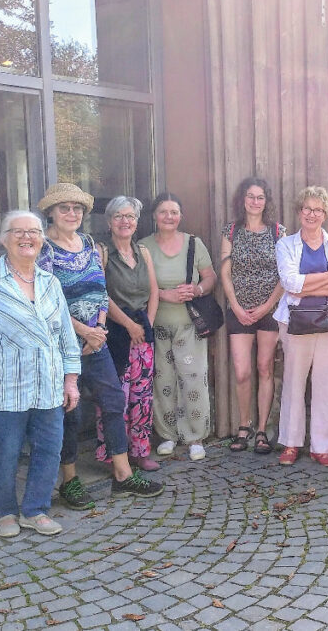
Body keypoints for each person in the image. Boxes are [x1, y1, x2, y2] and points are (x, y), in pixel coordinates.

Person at [0, 211, 80, 537]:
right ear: (4, 239)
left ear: (42, 239)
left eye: (33, 232)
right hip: (6, 388)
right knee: (4, 453)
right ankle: (5, 512)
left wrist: (71, 379)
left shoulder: (51, 283)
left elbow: (66, 337)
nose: (27, 238)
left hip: (49, 386)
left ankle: (35, 510)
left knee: (49, 450)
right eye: (18, 232)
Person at [37, 183, 163, 510]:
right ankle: (69, 479)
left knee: (113, 401)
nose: (71, 214)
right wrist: (83, 331)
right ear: (51, 212)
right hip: (64, 348)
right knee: (71, 413)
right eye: (64, 208)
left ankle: (122, 474)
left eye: (77, 209)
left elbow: (100, 290)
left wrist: (101, 327)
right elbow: (48, 303)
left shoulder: (90, 244)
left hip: (97, 343)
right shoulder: (44, 250)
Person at [274, 186, 328, 466]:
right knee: (294, 381)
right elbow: (290, 285)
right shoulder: (286, 244)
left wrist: (308, 285)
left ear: (326, 213)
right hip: (297, 321)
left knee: (327, 383)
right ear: (299, 211)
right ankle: (291, 444)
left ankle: (322, 446)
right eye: (307, 208)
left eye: (318, 209)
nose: (311, 214)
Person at [140, 192, 218, 462]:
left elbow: (210, 277)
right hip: (157, 326)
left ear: (180, 216)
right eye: (163, 212)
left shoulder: (194, 244)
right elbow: (137, 286)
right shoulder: (143, 247)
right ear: (154, 216)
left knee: (193, 378)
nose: (169, 217)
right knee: (163, 382)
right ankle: (167, 435)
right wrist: (163, 294)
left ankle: (195, 436)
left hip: (189, 326)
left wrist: (196, 289)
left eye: (174, 212)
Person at [220, 177, 286, 455]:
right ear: (242, 199)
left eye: (260, 197)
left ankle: (261, 430)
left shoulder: (278, 232)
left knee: (264, 368)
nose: (255, 201)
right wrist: (235, 305)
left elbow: (286, 274)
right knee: (242, 371)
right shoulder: (231, 230)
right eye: (250, 196)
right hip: (238, 310)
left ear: (266, 201)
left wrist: (266, 306)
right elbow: (224, 270)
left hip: (269, 310)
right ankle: (243, 426)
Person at [97, 196, 160, 471]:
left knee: (142, 395)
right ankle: (114, 455)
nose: (125, 221)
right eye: (119, 216)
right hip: (114, 335)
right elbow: (101, 295)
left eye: (130, 217)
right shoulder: (102, 252)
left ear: (137, 222)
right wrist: (129, 326)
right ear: (110, 222)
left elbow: (154, 291)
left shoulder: (143, 251)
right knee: (115, 398)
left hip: (141, 333)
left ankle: (140, 451)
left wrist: (147, 324)